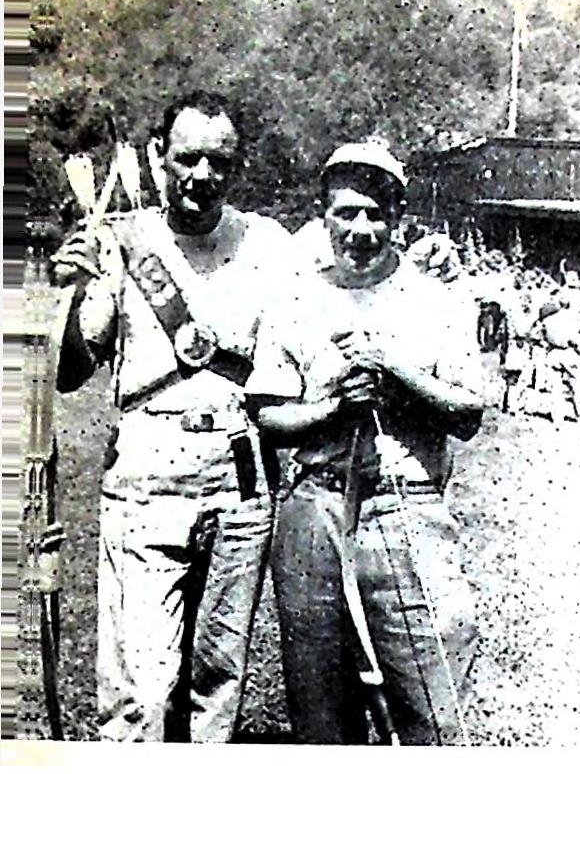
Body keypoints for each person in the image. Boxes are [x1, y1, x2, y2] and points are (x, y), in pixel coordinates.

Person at [50, 92, 295, 741]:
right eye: (188, 158)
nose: (203, 175)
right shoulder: (123, 241)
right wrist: (80, 289)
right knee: (143, 693)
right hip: (147, 477)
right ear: (159, 156)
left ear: (238, 166)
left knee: (219, 681)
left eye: (220, 161)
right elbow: (72, 372)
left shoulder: (268, 245)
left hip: (241, 481)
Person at [247, 141, 489, 744]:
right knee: (321, 711)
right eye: (345, 213)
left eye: (376, 214)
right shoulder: (295, 298)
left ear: (399, 216)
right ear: (322, 215)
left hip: (405, 509)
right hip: (315, 512)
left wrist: (395, 373)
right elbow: (270, 415)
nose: (360, 230)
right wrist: (334, 407)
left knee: (433, 703)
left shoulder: (436, 300)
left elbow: (468, 412)